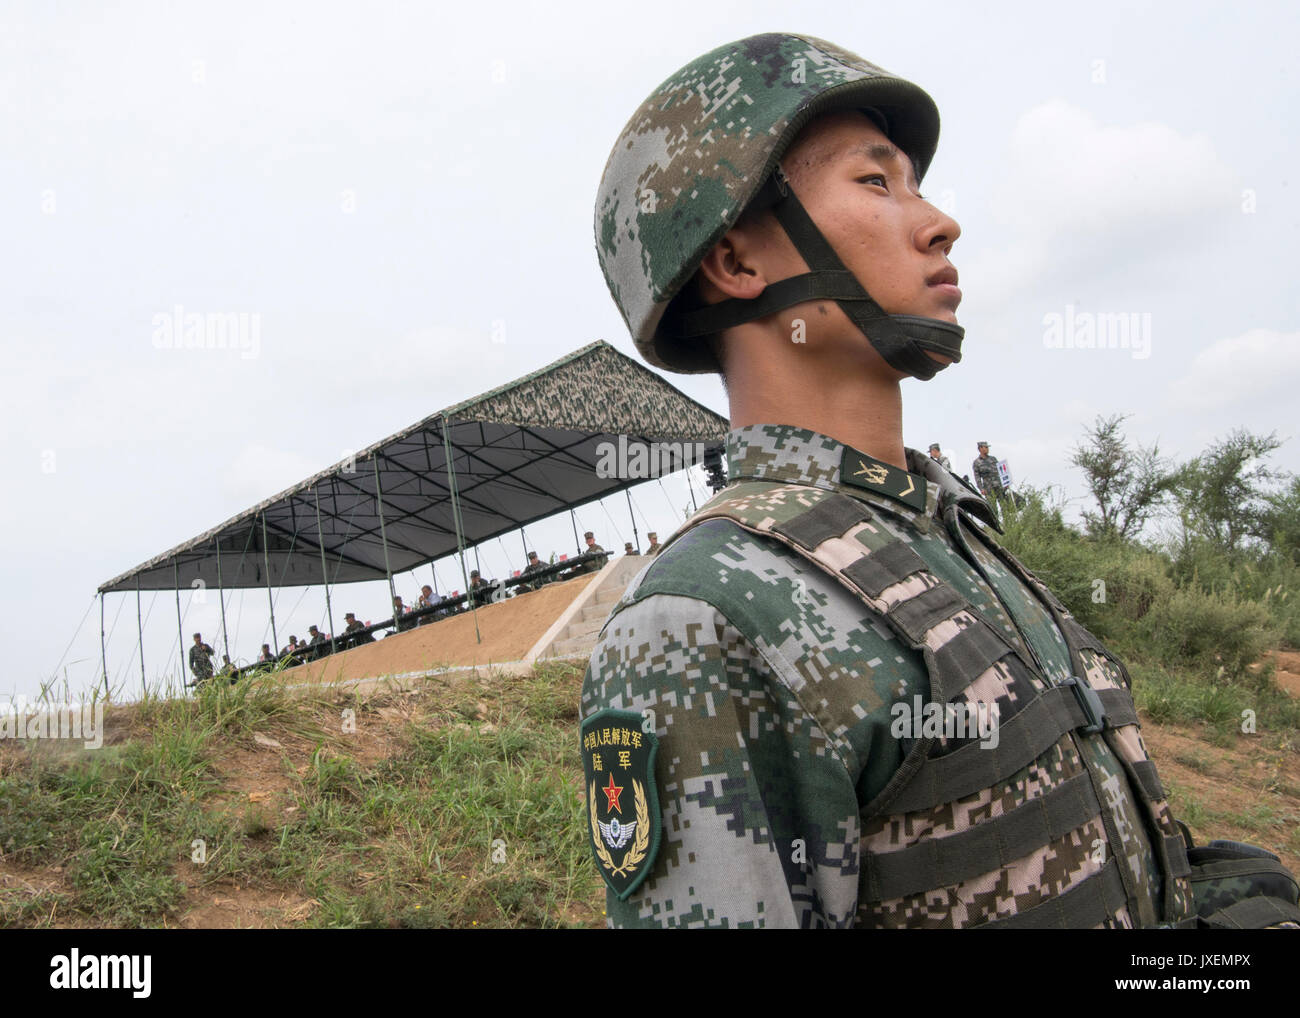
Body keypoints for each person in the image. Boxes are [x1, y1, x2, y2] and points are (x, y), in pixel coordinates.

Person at [581, 33, 1298, 929]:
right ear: (737, 263)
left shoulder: (948, 534)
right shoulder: (707, 614)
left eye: (914, 182)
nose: (938, 221)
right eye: (875, 183)